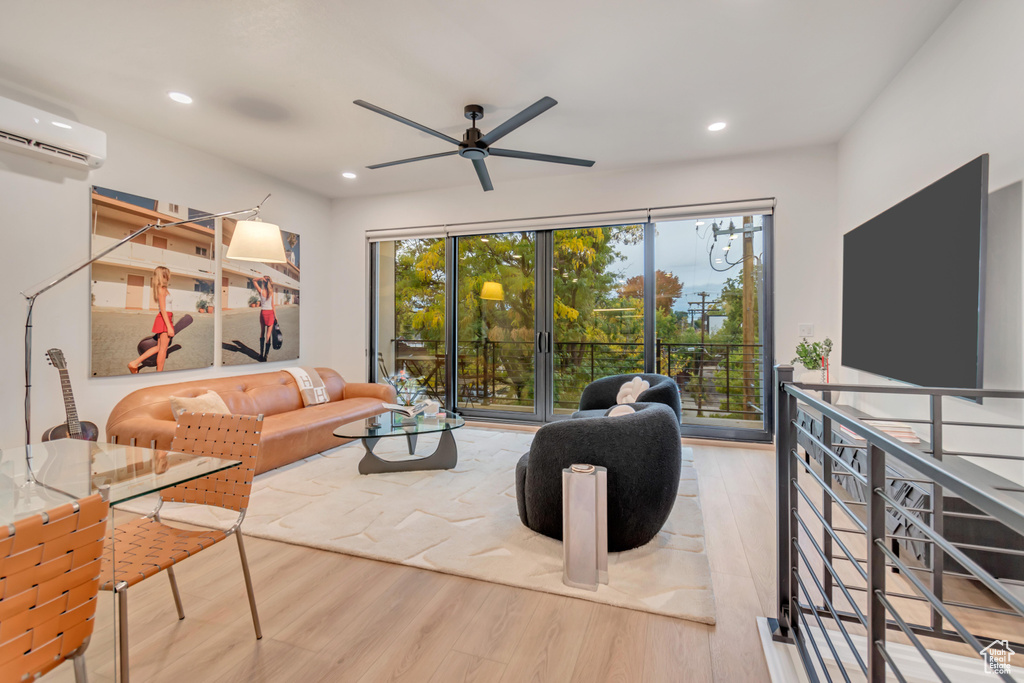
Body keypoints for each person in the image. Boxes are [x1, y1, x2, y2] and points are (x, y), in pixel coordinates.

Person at [129, 266, 174, 373]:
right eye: (167, 274)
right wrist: (169, 327)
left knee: (159, 348)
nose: (169, 276)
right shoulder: (162, 289)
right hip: (164, 318)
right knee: (163, 349)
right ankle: (159, 374)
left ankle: (134, 363)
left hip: (166, 318)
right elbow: (163, 309)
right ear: (163, 275)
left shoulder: (162, 288)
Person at [254, 275, 276, 361]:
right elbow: (273, 305)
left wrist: (259, 277)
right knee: (268, 335)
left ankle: (260, 354)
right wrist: (275, 316)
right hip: (270, 313)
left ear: (263, 282)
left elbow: (254, 280)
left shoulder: (261, 291)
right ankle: (266, 356)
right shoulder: (271, 292)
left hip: (263, 312)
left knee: (262, 332)